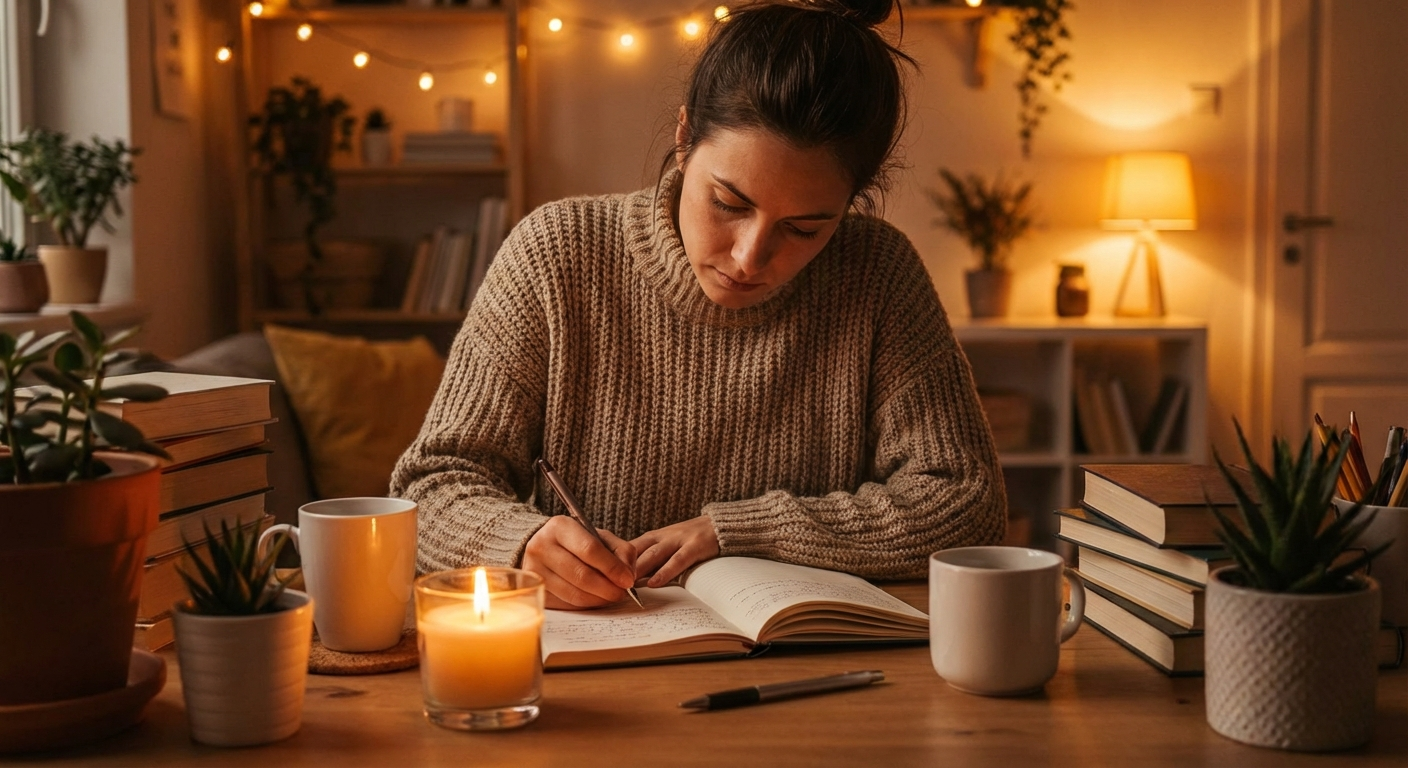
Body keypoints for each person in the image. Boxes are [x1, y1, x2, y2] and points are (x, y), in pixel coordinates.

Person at [391, 0, 1006, 610]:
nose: (748, 257)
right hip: (602, 666)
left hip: (814, 669)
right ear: (685, 139)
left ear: (849, 206)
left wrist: (739, 532)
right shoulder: (557, 255)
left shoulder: (877, 273)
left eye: (804, 229)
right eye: (729, 204)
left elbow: (965, 502)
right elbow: (433, 486)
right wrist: (521, 545)